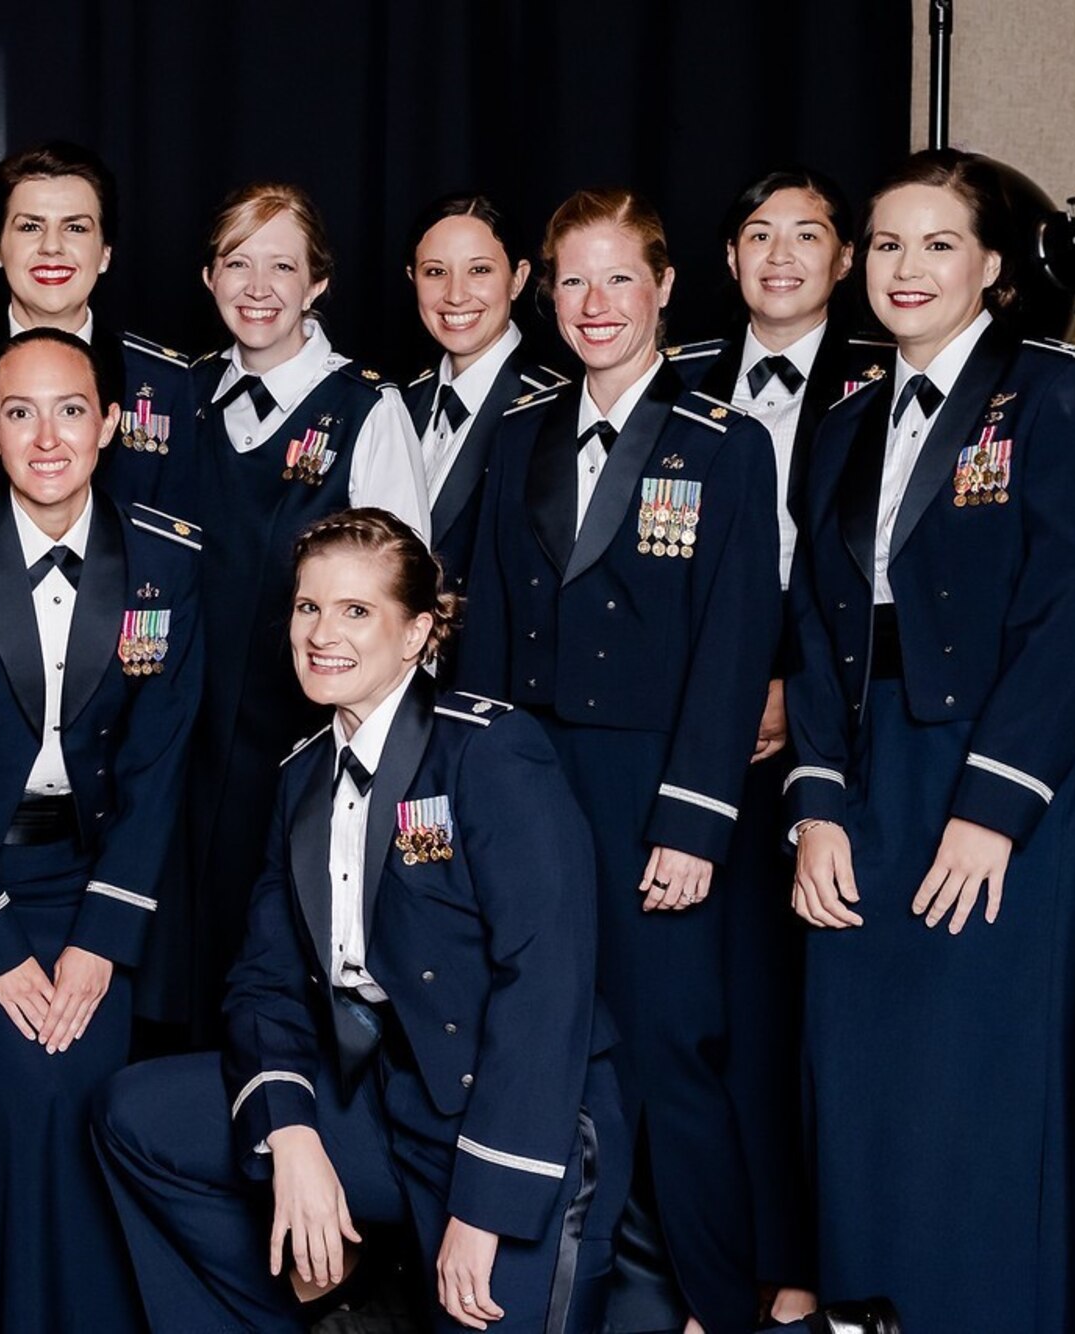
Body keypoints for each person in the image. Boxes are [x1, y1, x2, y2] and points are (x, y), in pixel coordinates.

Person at [96, 508, 628, 1333]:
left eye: (355, 612)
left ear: (417, 634)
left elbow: (546, 991)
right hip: (380, 1105)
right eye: (309, 607)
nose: (321, 633)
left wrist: (485, 1210)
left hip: (513, 1126)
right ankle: (340, 1311)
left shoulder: (491, 753)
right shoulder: (303, 776)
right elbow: (264, 983)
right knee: (138, 1116)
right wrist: (294, 1134)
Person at [787, 148, 1075, 1334]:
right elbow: (812, 621)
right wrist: (815, 802)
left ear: (990, 267)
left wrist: (990, 808)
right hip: (870, 767)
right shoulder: (837, 424)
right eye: (885, 243)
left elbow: (1074, 611)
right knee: (861, 1061)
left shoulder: (1057, 393)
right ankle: (871, 1306)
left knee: (983, 1066)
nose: (904, 267)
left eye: (937, 243)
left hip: (1005, 770)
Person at [455, 187, 781, 1334]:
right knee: (545, 1035)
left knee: (668, 1055)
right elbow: (486, 629)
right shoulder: (516, 437)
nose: (595, 306)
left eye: (617, 279)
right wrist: (468, 787)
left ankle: (713, 1302)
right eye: (572, 283)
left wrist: (693, 823)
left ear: (663, 289)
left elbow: (736, 642)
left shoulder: (723, 446)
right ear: (548, 296)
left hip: (654, 791)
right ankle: (573, 1292)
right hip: (534, 786)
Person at [0, 329, 204, 1332]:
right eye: (19, 412)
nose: (46, 436)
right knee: (10, 1077)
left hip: (90, 875)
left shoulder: (167, 560)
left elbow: (157, 769)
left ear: (109, 423)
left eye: (69, 409)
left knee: (86, 1088)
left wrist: (100, 941)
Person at [154, 182, 431, 1039]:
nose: (259, 285)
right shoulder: (175, 398)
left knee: (279, 979)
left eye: (284, 265)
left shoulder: (367, 408)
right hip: (177, 745)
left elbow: (404, 604)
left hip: (300, 747)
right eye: (238, 262)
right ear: (208, 276)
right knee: (171, 985)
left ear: (317, 284)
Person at [692, 166, 888, 1324]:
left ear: (843, 257)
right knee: (716, 1007)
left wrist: (786, 687)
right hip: (701, 731)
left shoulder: (878, 383)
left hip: (828, 730)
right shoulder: (675, 379)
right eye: (755, 232)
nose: (777, 254)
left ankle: (807, 1262)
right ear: (725, 259)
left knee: (809, 1011)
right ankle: (725, 1253)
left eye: (804, 234)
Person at [0, 140, 195, 517]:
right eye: (29, 227)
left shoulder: (164, 380)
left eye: (75, 227)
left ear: (104, 252)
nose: (52, 246)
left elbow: (177, 546)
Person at [399, 193, 570, 600]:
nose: (456, 295)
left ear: (518, 278)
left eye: (479, 270)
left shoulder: (558, 410)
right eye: (435, 271)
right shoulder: (397, 403)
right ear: (412, 279)